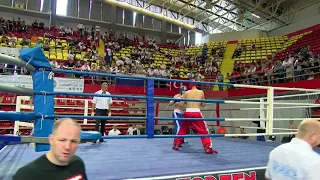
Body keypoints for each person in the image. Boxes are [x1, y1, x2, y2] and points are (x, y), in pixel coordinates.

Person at [13, 118, 87, 180]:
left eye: (73, 141)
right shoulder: (26, 175)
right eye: (62, 140)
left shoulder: (78, 164)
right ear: (51, 140)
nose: (67, 147)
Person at [172, 84, 217, 154]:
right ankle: (208, 147)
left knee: (183, 129)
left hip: (187, 112)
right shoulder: (201, 92)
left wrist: (185, 100)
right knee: (203, 131)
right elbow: (203, 105)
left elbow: (181, 105)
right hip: (196, 112)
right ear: (196, 85)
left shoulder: (186, 93)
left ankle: (176, 144)